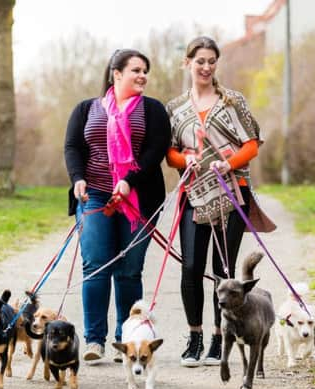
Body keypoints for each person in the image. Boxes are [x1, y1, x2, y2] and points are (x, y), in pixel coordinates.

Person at [165, 36, 275, 367]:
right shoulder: (175, 108)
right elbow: (170, 153)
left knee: (223, 269)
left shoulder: (232, 101)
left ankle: (218, 336)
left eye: (212, 60)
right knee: (191, 267)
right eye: (200, 60)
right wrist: (186, 162)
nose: (206, 66)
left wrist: (228, 163)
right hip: (194, 194)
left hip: (232, 190)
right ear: (187, 63)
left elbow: (252, 144)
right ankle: (195, 337)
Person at [64, 49, 171, 363]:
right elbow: (72, 146)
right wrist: (77, 178)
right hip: (95, 195)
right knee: (95, 265)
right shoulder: (87, 109)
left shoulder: (152, 110)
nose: (142, 76)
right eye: (136, 70)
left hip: (138, 198)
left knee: (128, 271)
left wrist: (128, 181)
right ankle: (94, 340)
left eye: (145, 71)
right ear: (116, 73)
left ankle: (127, 340)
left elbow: (155, 150)